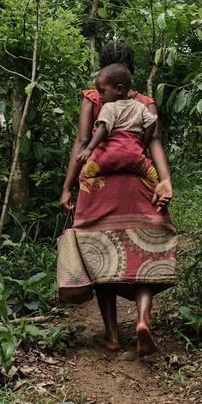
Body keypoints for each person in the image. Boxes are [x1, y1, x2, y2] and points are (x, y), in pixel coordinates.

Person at [60, 43, 176, 356]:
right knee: (144, 250)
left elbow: (83, 141)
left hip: (97, 185)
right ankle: (142, 320)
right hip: (138, 183)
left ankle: (112, 334)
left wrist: (68, 186)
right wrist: (164, 181)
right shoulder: (145, 103)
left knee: (100, 252)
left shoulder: (94, 98)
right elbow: (155, 144)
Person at [75, 64, 158, 178]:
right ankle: (159, 195)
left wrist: (88, 149)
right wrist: (144, 144)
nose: (99, 96)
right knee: (153, 177)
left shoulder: (109, 107)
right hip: (135, 156)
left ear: (119, 89)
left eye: (102, 92)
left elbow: (102, 128)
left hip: (109, 157)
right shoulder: (140, 107)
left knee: (85, 174)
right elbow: (152, 122)